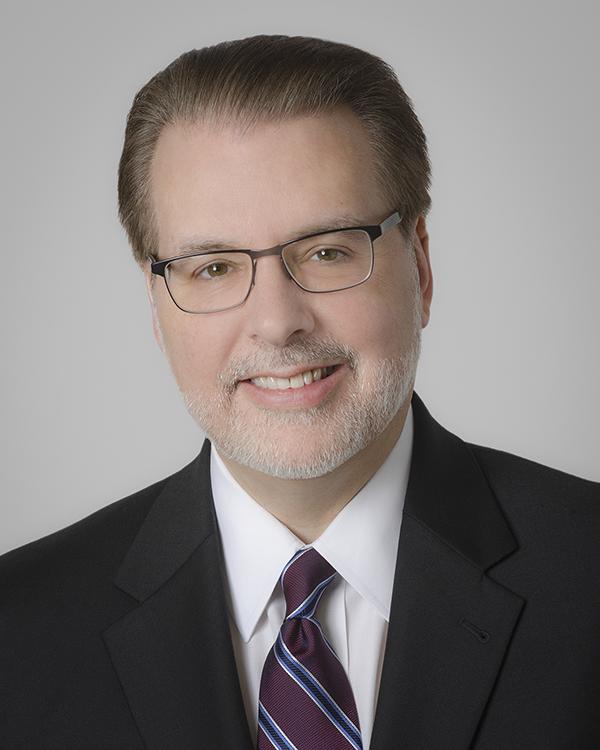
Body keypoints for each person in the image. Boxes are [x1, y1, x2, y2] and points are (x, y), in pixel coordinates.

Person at [0, 34, 598, 750]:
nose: (278, 322)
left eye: (327, 251)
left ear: (421, 266)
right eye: (213, 268)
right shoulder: (19, 630)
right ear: (155, 305)